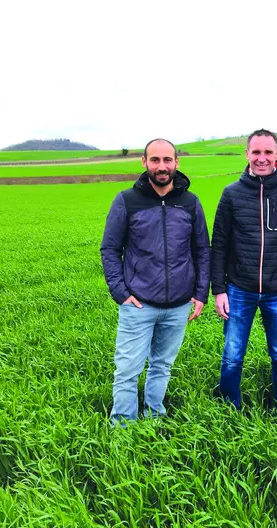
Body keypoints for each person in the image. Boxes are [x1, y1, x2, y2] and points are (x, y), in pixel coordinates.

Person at [100, 138, 210, 424]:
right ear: (144, 163)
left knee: (162, 365)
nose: (162, 166)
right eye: (155, 160)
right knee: (127, 369)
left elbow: (201, 250)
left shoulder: (190, 202)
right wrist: (120, 293)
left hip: (178, 305)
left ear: (177, 163)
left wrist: (201, 293)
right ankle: (122, 425)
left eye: (167, 160)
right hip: (138, 304)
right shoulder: (127, 201)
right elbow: (110, 249)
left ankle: (154, 418)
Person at [211, 129, 277, 409]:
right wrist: (218, 290)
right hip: (238, 290)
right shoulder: (231, 194)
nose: (262, 158)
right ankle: (230, 407)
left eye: (268, 152)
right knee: (232, 355)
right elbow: (218, 243)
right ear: (247, 154)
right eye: (256, 152)